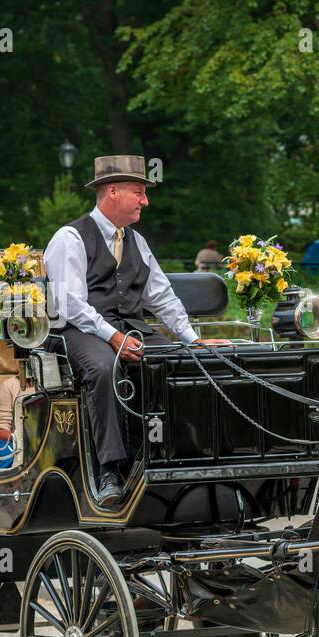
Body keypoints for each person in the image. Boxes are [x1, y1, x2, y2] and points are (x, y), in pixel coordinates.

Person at [43, 154, 225, 503]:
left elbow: (161, 296)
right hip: (79, 330)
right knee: (103, 366)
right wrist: (112, 337)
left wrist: (192, 341)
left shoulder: (137, 241)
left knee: (182, 363)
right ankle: (109, 470)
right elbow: (70, 304)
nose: (145, 200)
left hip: (128, 325)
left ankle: (179, 453)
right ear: (113, 191)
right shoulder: (70, 238)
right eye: (139, 192)